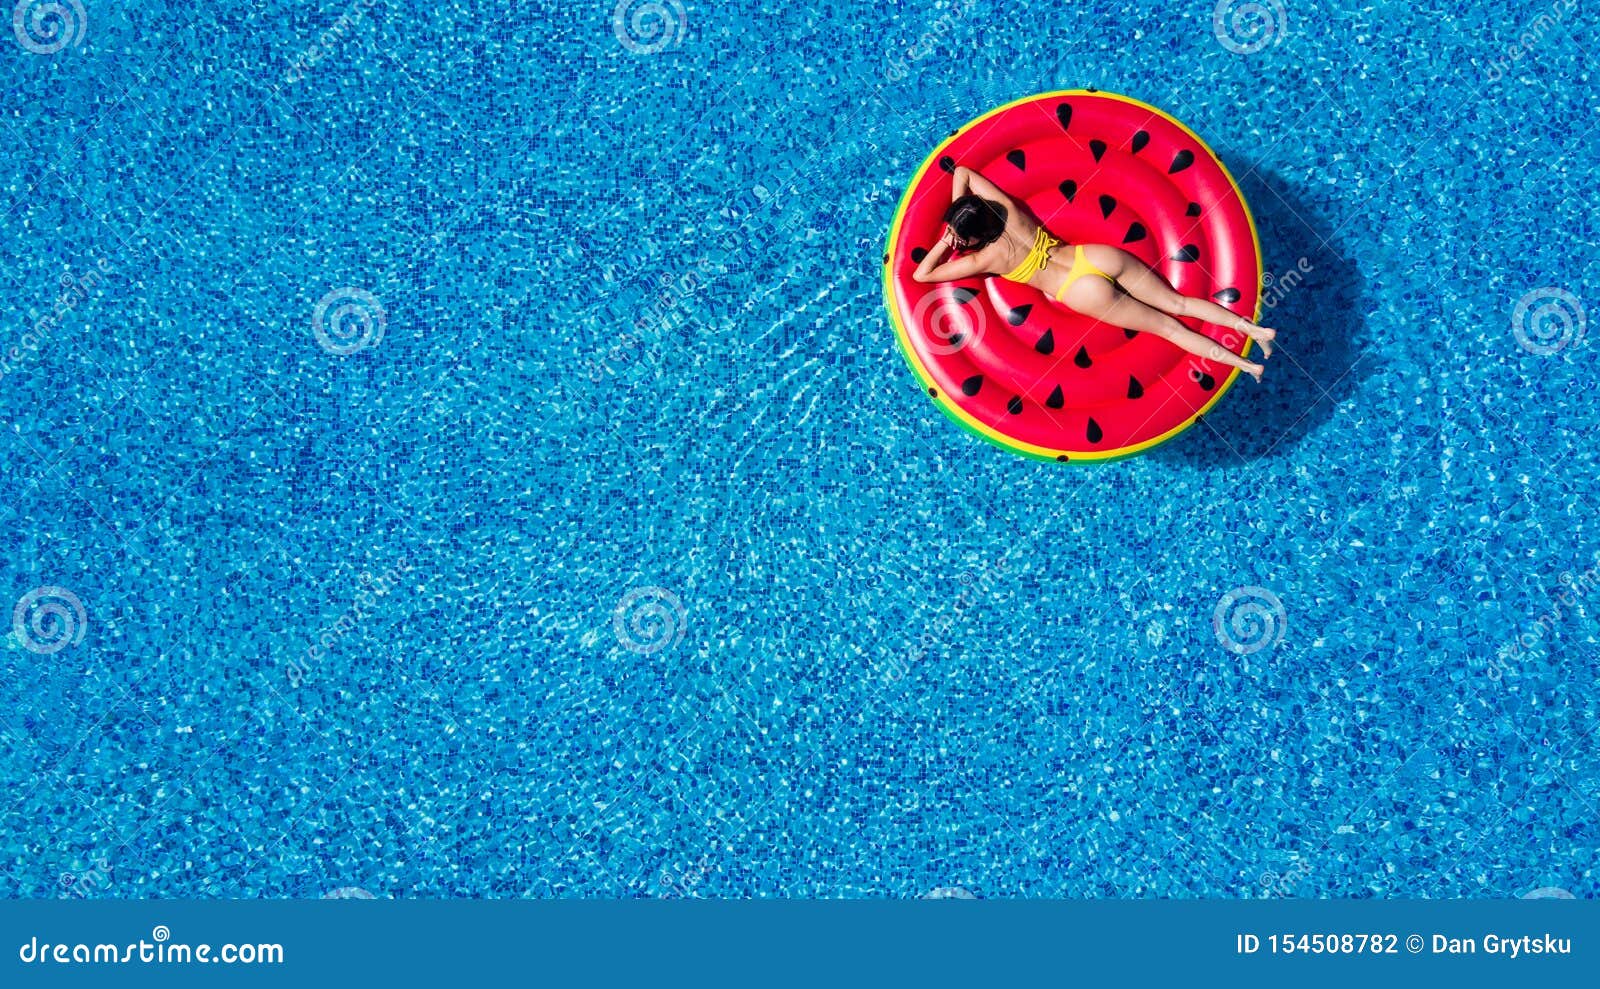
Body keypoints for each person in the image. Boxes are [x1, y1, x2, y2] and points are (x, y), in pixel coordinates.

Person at [912, 166, 1276, 382]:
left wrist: (948, 239)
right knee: (1178, 303)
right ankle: (1256, 331)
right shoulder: (1007, 209)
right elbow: (963, 172)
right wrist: (959, 208)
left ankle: (1246, 366)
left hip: (1076, 289)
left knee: (1169, 329)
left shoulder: (985, 259)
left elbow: (922, 275)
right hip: (1093, 257)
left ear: (973, 234)